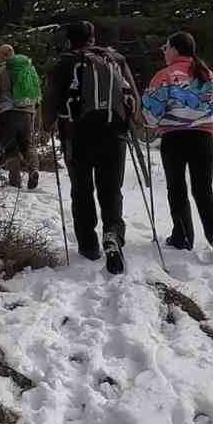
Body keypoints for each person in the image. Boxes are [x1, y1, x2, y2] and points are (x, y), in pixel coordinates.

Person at [44, 21, 139, 274]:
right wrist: (131, 124)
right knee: (111, 190)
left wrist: (47, 126)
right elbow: (134, 99)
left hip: (77, 136)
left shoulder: (64, 62)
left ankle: (88, 245)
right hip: (114, 134)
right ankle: (113, 235)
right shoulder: (115, 59)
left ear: (69, 40)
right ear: (93, 37)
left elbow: (51, 101)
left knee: (82, 190)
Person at [142, 30, 213, 263]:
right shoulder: (206, 74)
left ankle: (182, 235)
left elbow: (151, 114)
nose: (164, 52)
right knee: (203, 189)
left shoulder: (165, 75)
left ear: (174, 49)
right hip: (202, 137)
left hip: (174, 138)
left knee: (177, 188)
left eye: (166, 48)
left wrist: (149, 120)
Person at [0, 43, 41, 189]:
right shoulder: (28, 69)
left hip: (7, 113)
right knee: (27, 143)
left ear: (0, 56)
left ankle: (15, 181)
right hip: (28, 111)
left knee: (11, 146)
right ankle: (34, 169)